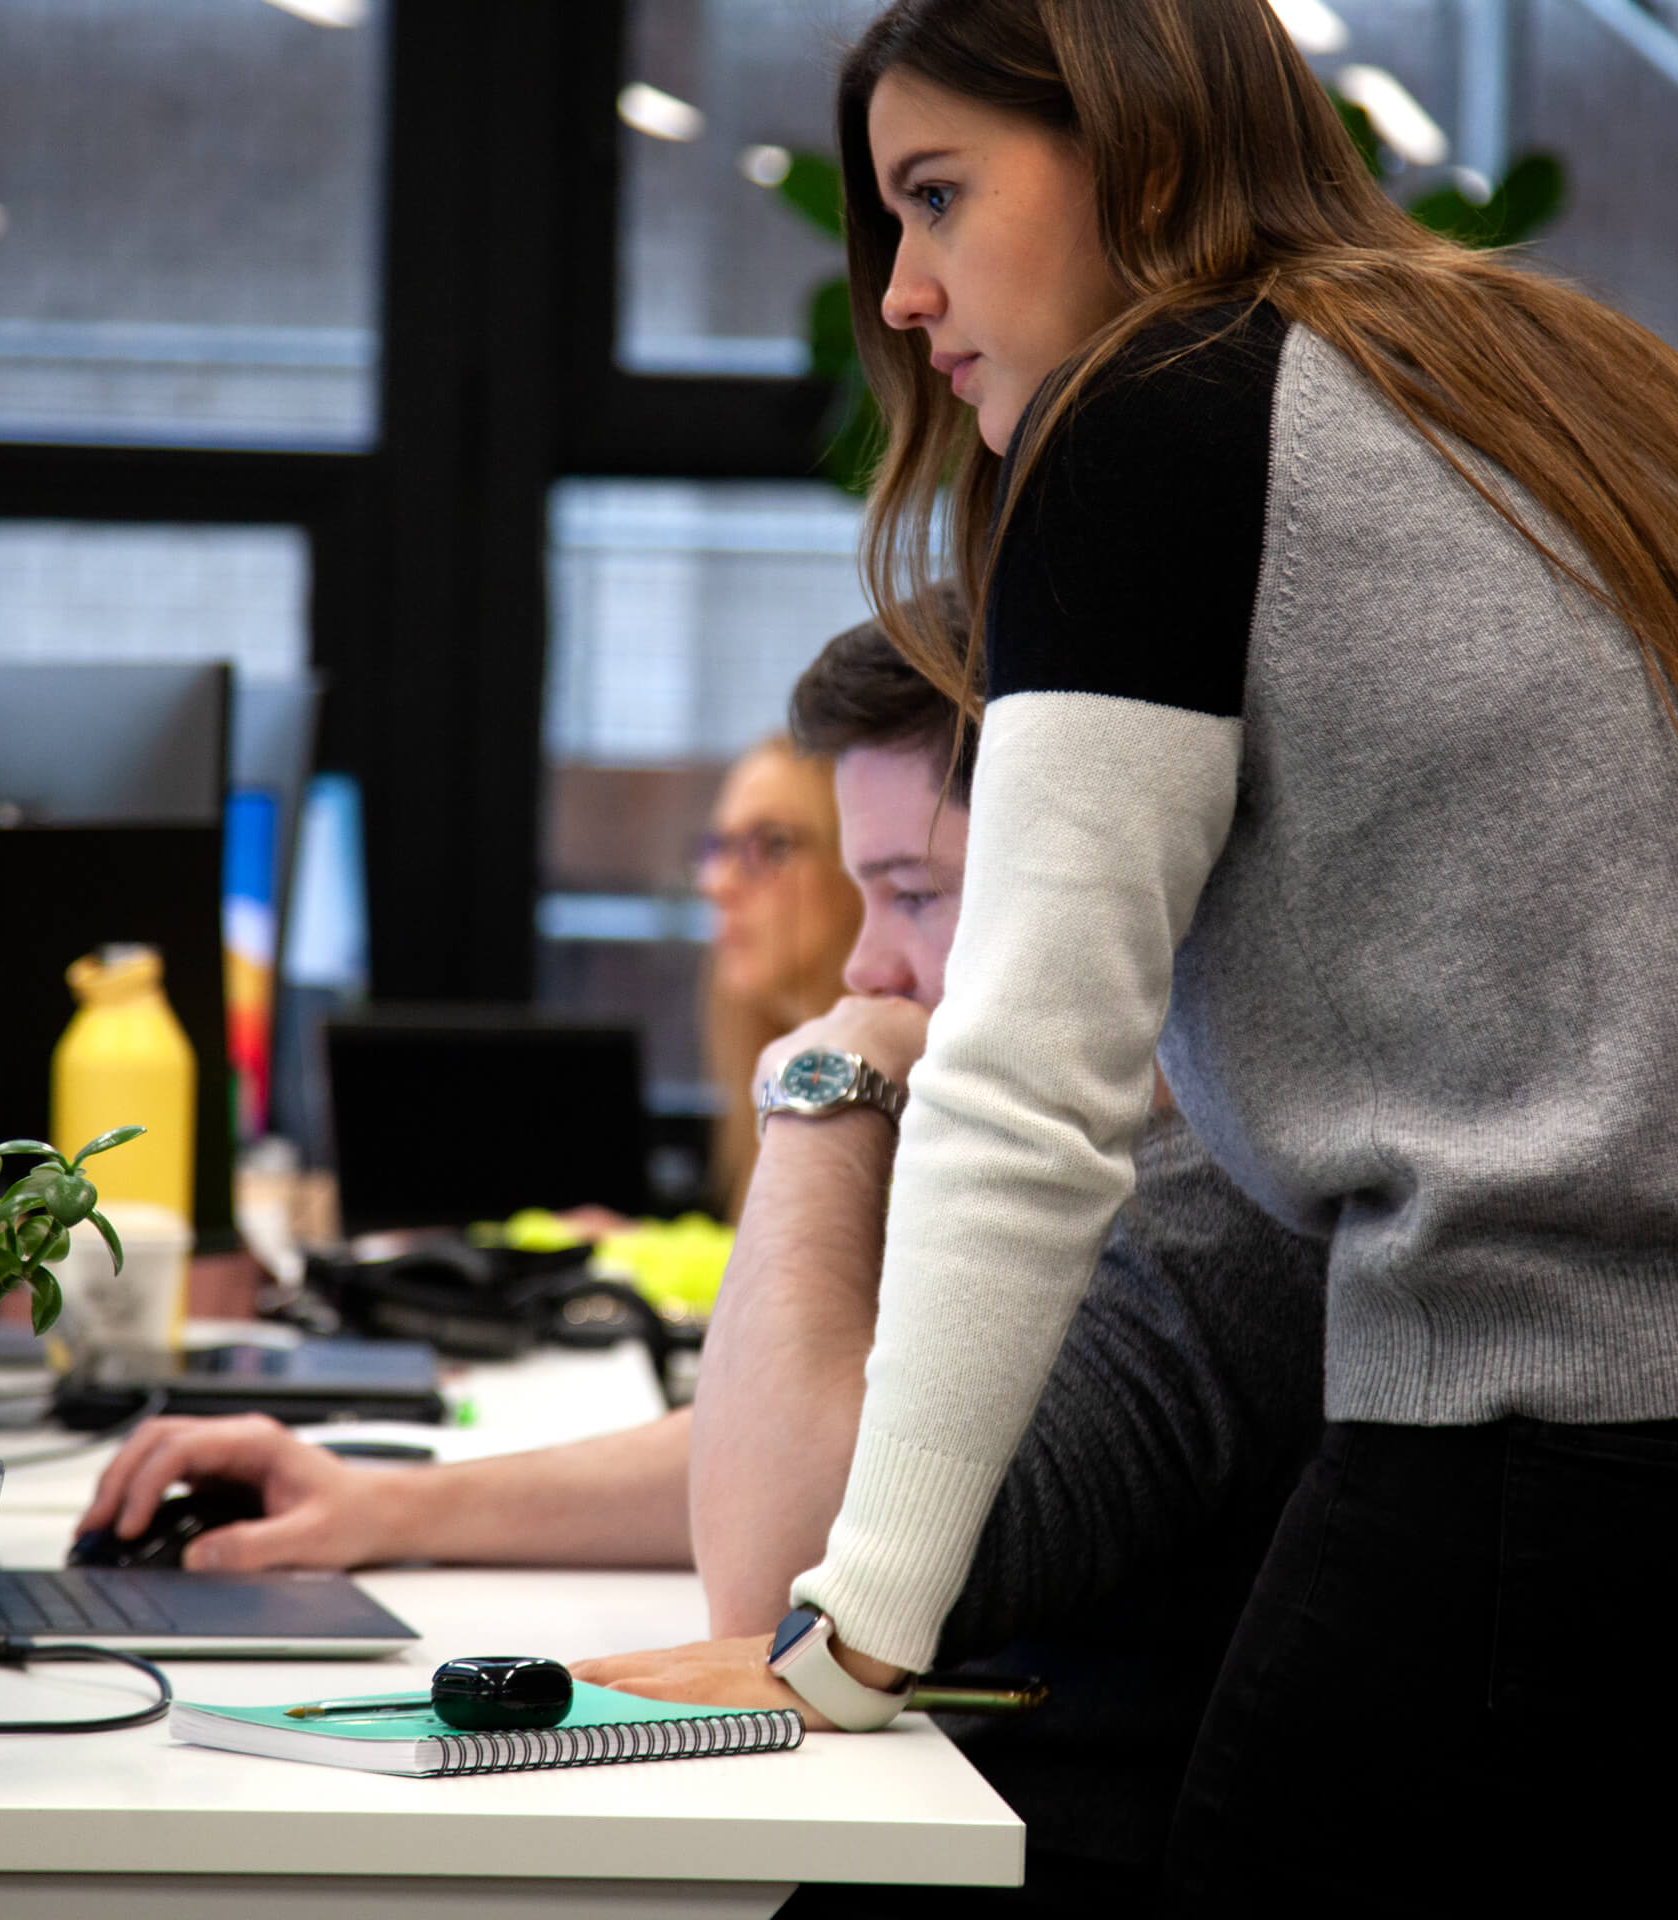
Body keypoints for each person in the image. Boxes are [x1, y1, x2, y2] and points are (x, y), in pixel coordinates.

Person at [589, 4, 1678, 1913]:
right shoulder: (1571, 375)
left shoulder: (1150, 418)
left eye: (940, 196)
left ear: (1131, 146)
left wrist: (855, 1633)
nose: (901, 290)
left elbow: (1029, 1079)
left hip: (1591, 1466)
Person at [77, 615, 1326, 1894]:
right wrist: (385, 1505)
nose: (865, 960)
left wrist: (829, 1090)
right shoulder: (1132, 1180)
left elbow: (774, 1574)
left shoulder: (1210, 1218)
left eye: (915, 891)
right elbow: (835, 1445)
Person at [696, 736, 861, 1219]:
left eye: (771, 845)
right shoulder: (774, 1068)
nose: (717, 883)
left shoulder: (899, 1098)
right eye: (718, 846)